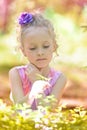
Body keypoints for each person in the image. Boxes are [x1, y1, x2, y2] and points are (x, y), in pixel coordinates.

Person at [9, 11, 67, 110]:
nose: (40, 52)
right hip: (23, 124)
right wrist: (36, 89)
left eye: (45, 46)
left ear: (54, 46)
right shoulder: (16, 74)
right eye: (32, 48)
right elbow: (19, 108)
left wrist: (37, 81)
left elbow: (49, 110)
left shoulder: (59, 78)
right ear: (23, 51)